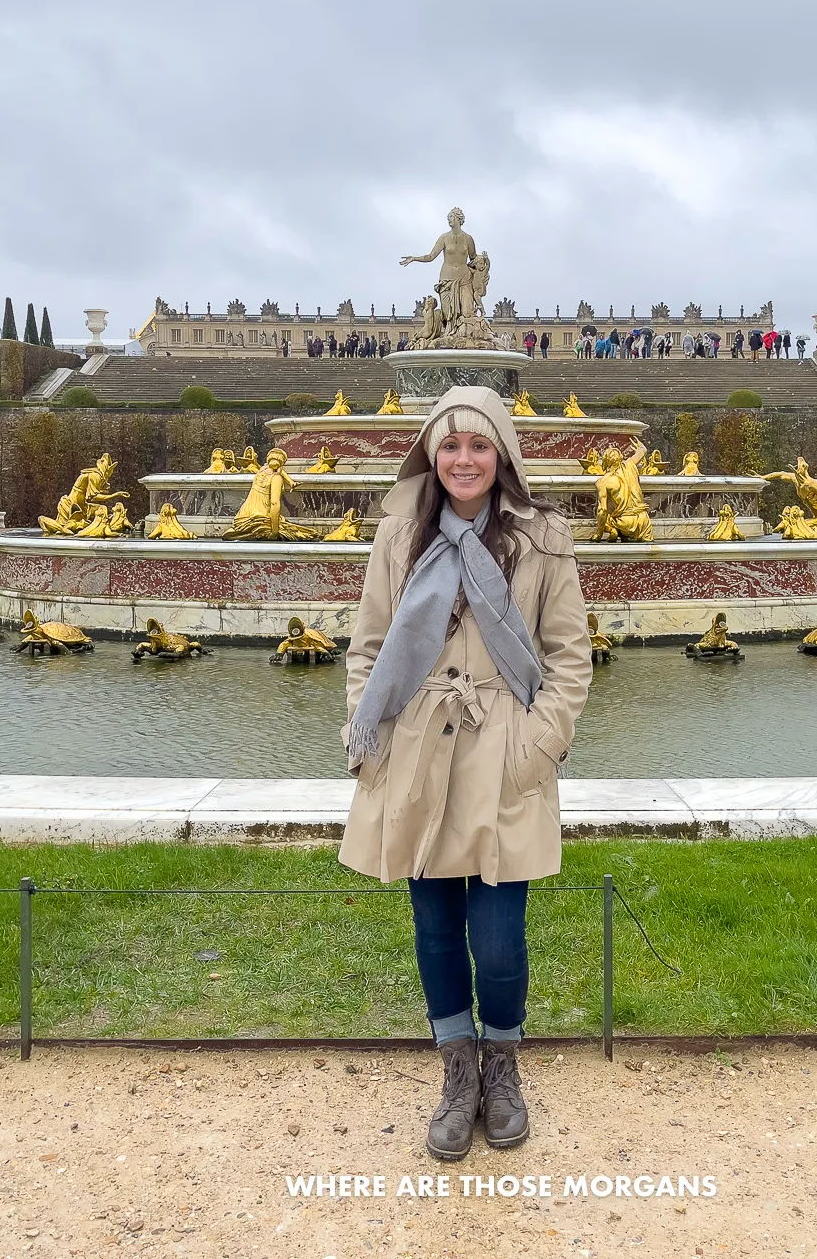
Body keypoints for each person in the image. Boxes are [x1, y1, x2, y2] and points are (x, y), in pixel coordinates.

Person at [341, 386, 591, 1162]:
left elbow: (570, 659)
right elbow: (368, 645)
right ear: (431, 454)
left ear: (503, 454)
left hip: (502, 753)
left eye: (478, 445)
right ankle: (458, 1074)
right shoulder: (398, 536)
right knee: (435, 930)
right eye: (449, 446)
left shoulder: (544, 538)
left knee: (501, 941)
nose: (463, 460)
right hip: (417, 746)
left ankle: (502, 1067)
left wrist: (536, 748)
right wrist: (365, 734)